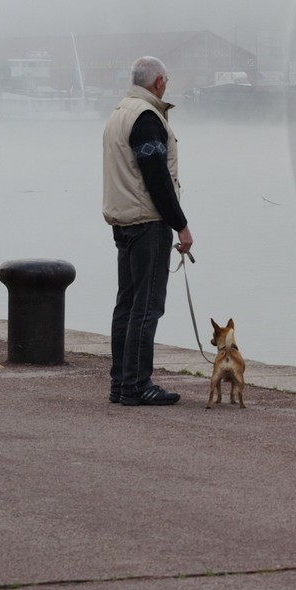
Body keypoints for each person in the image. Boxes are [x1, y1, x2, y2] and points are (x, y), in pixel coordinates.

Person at [102, 56, 193, 406]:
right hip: (147, 223)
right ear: (158, 82)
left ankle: (121, 383)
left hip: (123, 221)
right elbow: (156, 178)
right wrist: (180, 225)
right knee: (147, 306)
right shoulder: (146, 118)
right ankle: (138, 385)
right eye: (165, 80)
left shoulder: (118, 113)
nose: (166, 85)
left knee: (126, 304)